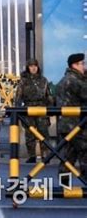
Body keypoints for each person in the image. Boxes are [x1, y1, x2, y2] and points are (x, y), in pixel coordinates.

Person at [15, 59, 53, 163]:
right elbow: (18, 96)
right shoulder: (23, 81)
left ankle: (45, 155)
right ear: (28, 68)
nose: (33, 68)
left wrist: (51, 108)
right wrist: (17, 110)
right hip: (29, 109)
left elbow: (48, 95)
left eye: (35, 66)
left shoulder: (43, 80)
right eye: (31, 66)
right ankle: (32, 155)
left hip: (41, 108)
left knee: (43, 132)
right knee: (30, 133)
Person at [56, 53, 87, 182]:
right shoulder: (75, 80)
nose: (84, 66)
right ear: (75, 65)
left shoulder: (65, 79)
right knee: (85, 151)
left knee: (68, 156)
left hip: (66, 124)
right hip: (76, 124)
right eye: (82, 64)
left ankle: (64, 186)